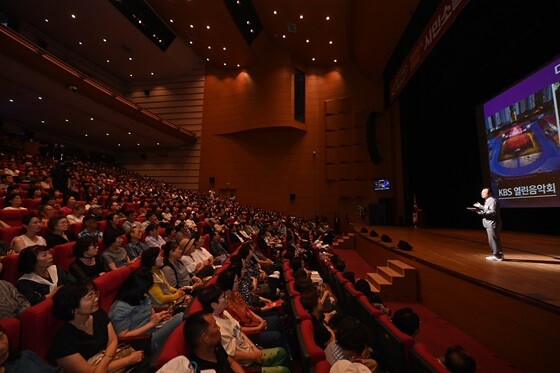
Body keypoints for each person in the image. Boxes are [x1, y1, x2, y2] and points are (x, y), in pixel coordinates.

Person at [47, 281, 145, 372]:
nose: (96, 299)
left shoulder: (99, 314)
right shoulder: (62, 341)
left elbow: (113, 340)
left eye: (95, 294)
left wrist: (105, 360)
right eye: (90, 297)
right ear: (73, 308)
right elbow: (88, 371)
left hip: (112, 362)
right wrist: (128, 360)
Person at [197, 284, 291, 372]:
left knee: (281, 352)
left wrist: (254, 348)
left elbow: (239, 331)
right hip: (245, 363)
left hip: (249, 350)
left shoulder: (224, 312)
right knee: (283, 368)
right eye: (223, 297)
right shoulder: (216, 326)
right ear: (214, 305)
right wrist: (254, 356)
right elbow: (233, 356)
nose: (226, 299)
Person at [109, 267, 184, 353]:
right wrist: (152, 323)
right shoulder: (120, 308)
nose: (147, 291)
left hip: (154, 329)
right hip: (143, 341)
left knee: (182, 317)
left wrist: (159, 316)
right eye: (146, 288)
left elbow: (149, 315)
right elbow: (123, 336)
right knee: (181, 317)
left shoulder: (142, 296)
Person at [473, 187, 503, 261]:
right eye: (481, 192)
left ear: (490, 193)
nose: (482, 194)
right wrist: (478, 211)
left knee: (492, 240)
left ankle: (496, 255)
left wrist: (481, 207)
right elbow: (487, 211)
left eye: (484, 192)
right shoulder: (488, 201)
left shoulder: (493, 201)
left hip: (492, 223)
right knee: (495, 239)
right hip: (490, 222)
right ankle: (499, 255)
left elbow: (493, 212)